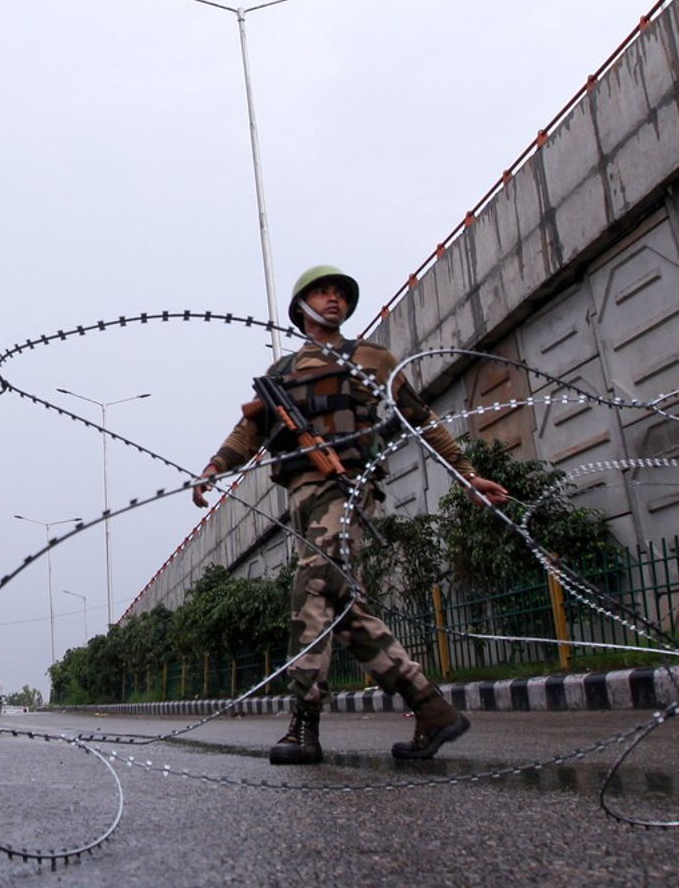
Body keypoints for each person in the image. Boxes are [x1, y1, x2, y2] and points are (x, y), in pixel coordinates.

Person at [193, 265, 509, 764]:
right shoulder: (280, 375)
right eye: (322, 291)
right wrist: (216, 466)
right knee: (341, 609)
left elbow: (420, 418)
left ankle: (304, 724)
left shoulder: (372, 359)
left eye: (340, 293)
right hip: (301, 495)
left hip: (348, 488)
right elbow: (248, 430)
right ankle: (432, 710)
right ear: (302, 306)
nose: (334, 299)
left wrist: (467, 474)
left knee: (312, 588)